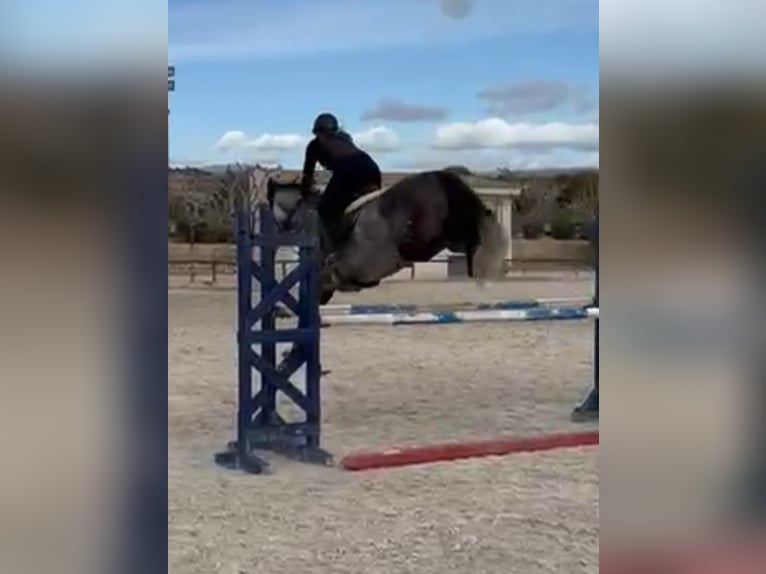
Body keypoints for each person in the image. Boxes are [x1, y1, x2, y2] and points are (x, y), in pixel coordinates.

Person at [300, 112, 382, 246]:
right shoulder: (345, 139)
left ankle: (333, 248)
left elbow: (307, 174)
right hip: (371, 168)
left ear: (317, 132)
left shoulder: (314, 146)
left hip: (349, 170)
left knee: (325, 211)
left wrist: (305, 192)